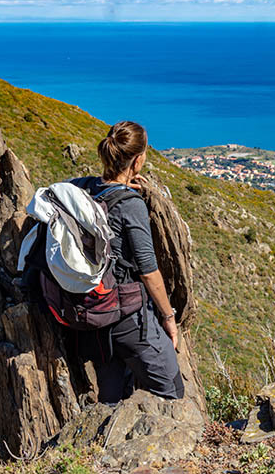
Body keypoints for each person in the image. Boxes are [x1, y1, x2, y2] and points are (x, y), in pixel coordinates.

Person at [69, 121, 184, 402]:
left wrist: (119, 183)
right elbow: (148, 270)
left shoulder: (82, 189)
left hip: (91, 317)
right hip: (128, 317)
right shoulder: (130, 205)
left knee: (112, 400)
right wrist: (169, 318)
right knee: (172, 392)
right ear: (138, 159)